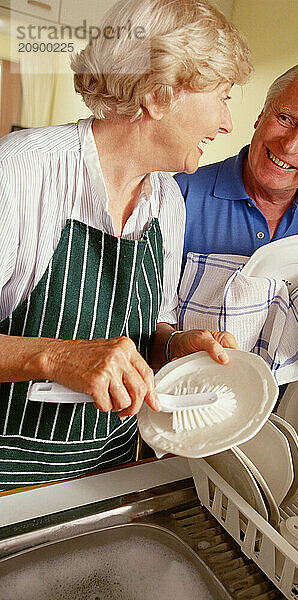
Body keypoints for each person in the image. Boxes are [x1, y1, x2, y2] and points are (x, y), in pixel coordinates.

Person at [0, 0, 253, 490]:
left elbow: (146, 330)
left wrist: (175, 347)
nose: (226, 124)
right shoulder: (21, 173)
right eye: (222, 96)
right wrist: (55, 357)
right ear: (157, 96)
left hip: (111, 475)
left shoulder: (168, 202)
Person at [175, 61, 298, 350]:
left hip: (281, 395)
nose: (289, 145)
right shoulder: (180, 193)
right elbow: (140, 314)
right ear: (261, 114)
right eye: (285, 118)